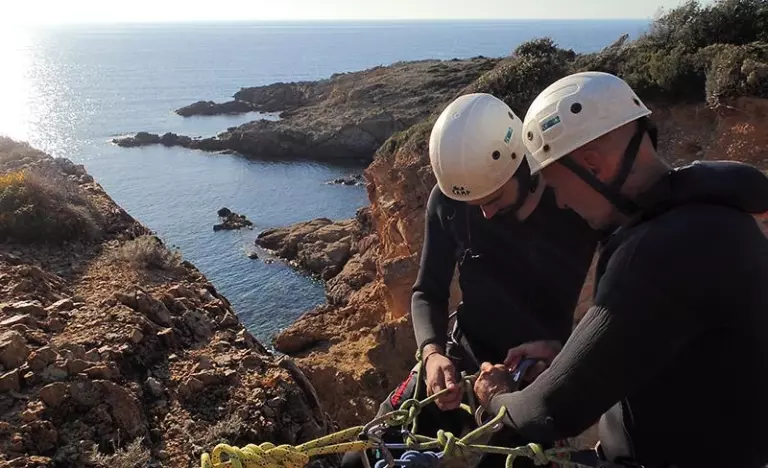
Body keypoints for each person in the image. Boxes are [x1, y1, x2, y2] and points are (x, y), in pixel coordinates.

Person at [474, 71, 768, 468]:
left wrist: (496, 394)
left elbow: (549, 411)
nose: (561, 203)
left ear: (592, 164)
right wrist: (572, 357)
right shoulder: (712, 217)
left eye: (557, 186)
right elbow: (666, 345)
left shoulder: (655, 254)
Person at [341, 92, 601, 468]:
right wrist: (432, 354)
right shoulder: (449, 202)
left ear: (522, 167)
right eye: (474, 203)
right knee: (360, 458)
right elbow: (428, 290)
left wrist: (563, 352)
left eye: (493, 198)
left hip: (538, 371)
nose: (485, 213)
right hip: (462, 355)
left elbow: (617, 298)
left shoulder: (570, 205)